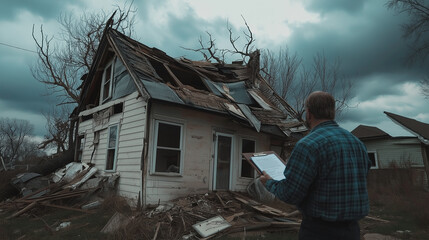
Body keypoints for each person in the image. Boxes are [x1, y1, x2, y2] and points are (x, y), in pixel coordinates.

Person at [260, 91, 371, 240]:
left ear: (309, 114)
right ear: (332, 112)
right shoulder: (357, 143)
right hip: (352, 231)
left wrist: (269, 183)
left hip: (319, 232)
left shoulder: (308, 145)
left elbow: (290, 194)